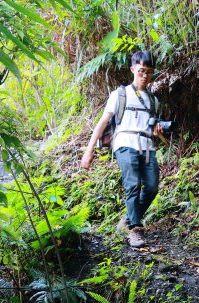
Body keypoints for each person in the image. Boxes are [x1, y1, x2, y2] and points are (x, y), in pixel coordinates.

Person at [81, 51, 163, 248]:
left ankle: (127, 219)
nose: (145, 75)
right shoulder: (120, 94)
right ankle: (135, 229)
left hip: (146, 146)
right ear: (133, 69)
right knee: (133, 184)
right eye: (142, 71)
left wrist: (158, 130)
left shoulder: (154, 101)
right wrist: (89, 150)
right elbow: (103, 122)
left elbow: (153, 129)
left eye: (149, 72)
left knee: (152, 186)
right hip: (125, 143)